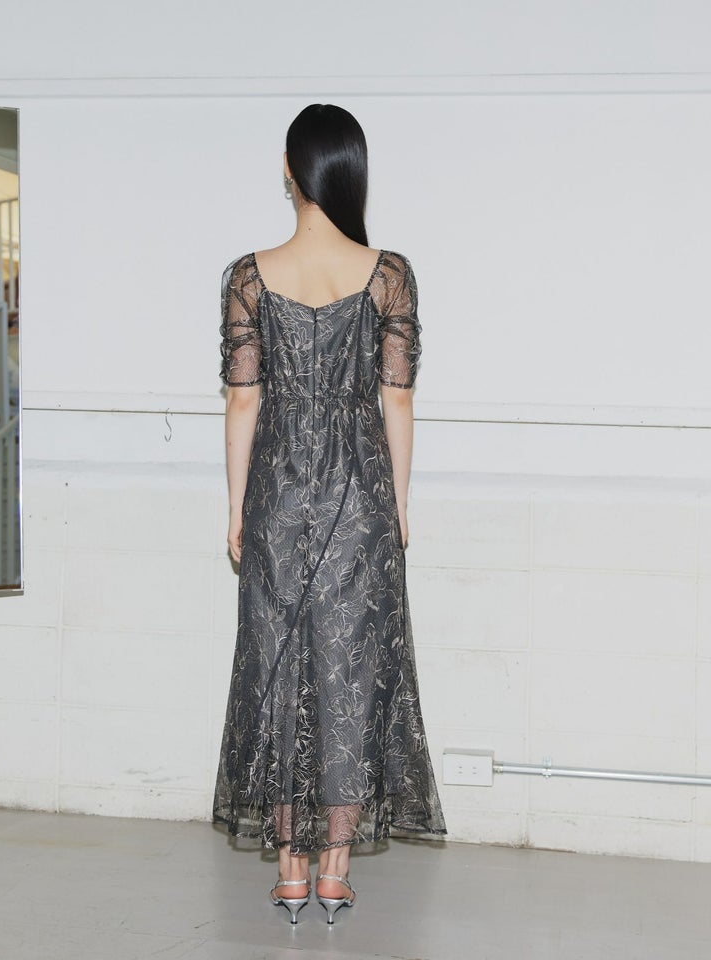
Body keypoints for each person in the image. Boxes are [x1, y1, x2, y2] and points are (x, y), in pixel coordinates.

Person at [213, 103, 447, 925]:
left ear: (289, 168)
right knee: (352, 674)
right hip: (360, 498)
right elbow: (397, 399)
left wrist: (237, 507)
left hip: (277, 497)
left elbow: (243, 401)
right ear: (351, 169)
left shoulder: (249, 276)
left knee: (278, 672)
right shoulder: (389, 275)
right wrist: (400, 505)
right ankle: (337, 872)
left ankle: (289, 872)